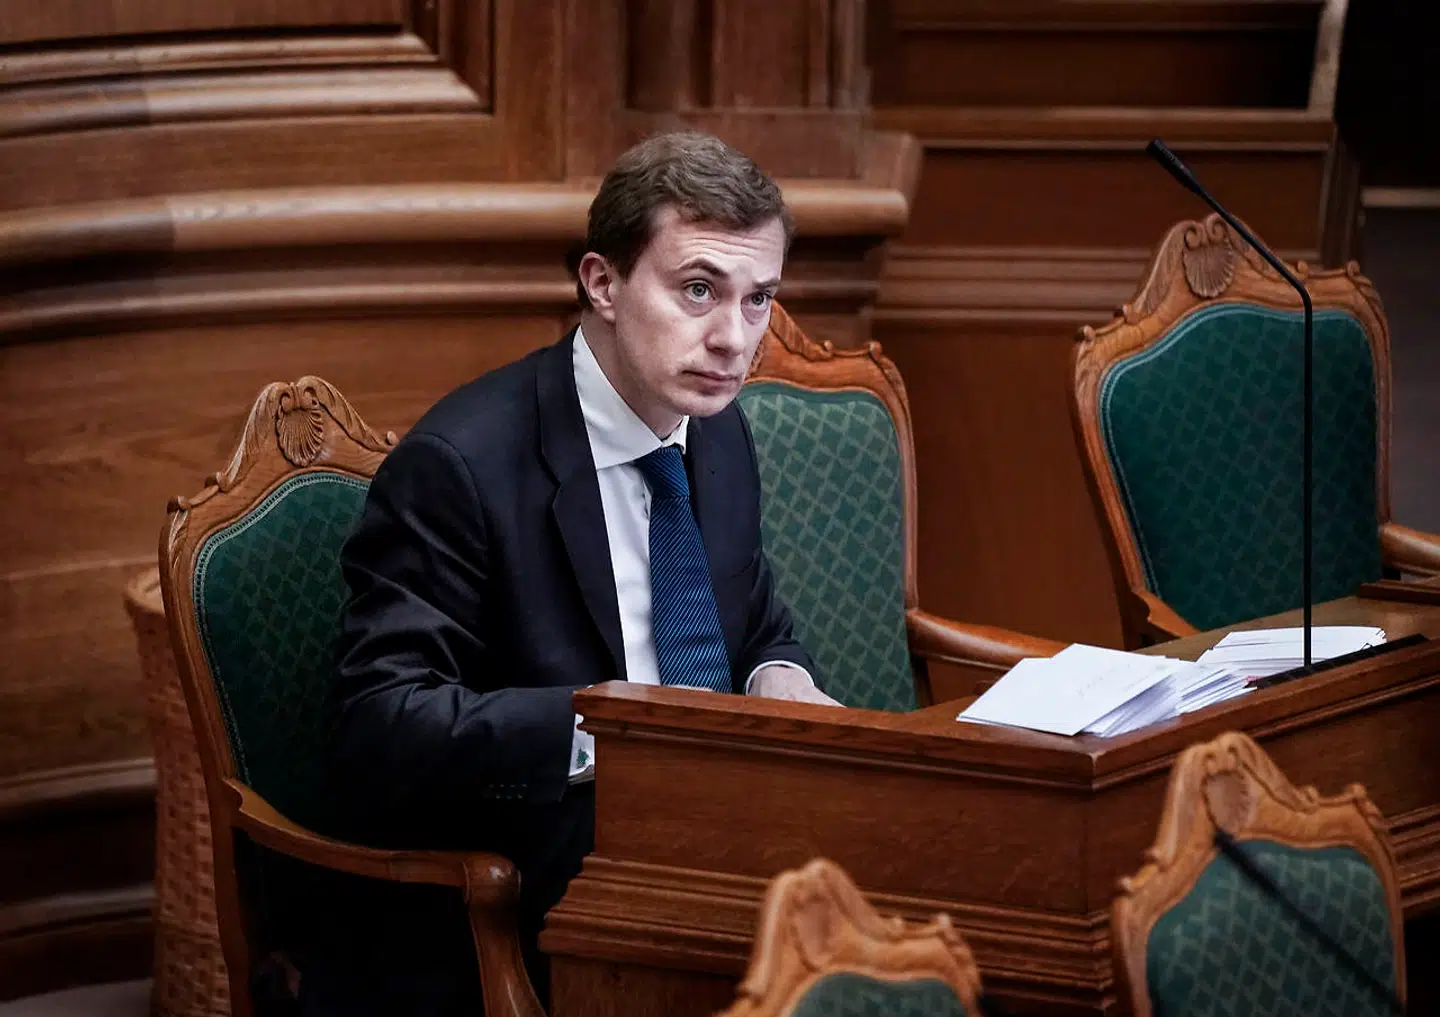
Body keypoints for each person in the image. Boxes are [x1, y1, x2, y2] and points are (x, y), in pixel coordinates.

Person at [321, 131, 839, 1016]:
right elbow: (377, 721)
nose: (733, 340)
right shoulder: (464, 464)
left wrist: (777, 675)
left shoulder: (715, 429)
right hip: (536, 868)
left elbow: (749, 620)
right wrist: (611, 728)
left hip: (715, 833)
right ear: (602, 283)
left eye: (759, 300)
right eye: (700, 290)